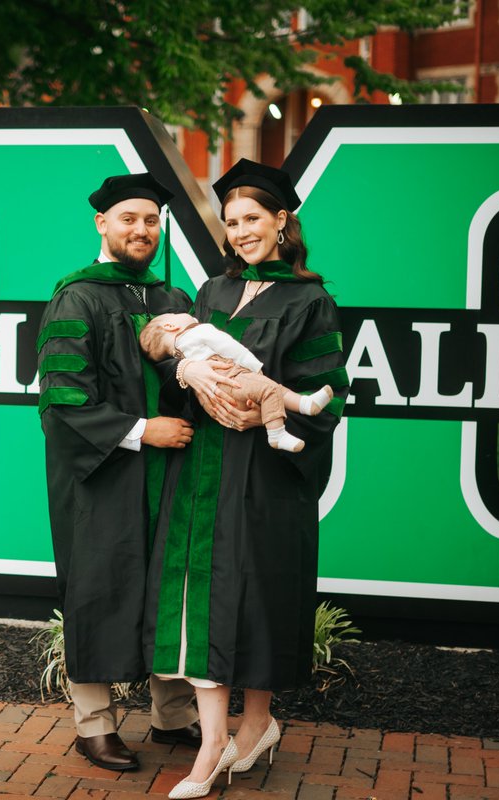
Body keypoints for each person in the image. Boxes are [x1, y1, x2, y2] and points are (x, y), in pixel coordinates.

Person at [141, 159, 349, 799]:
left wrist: (269, 416)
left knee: (255, 594)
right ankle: (210, 744)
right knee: (199, 598)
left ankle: (256, 726)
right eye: (231, 223)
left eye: (252, 219)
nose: (240, 233)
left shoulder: (310, 300)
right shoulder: (211, 293)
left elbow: (328, 396)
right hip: (201, 468)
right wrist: (186, 373)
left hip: (263, 474)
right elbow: (173, 350)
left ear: (282, 220)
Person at [37, 172, 202, 772]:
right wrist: (141, 430)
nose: (141, 230)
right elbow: (61, 397)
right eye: (128, 218)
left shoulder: (174, 301)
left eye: (151, 220)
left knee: (168, 583)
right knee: (98, 587)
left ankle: (174, 716)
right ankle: (93, 726)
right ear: (102, 223)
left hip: (169, 473)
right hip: (102, 477)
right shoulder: (76, 297)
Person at [139, 312, 334, 453]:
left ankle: (304, 404)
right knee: (269, 389)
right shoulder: (198, 328)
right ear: (170, 326)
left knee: (273, 389)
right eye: (174, 313)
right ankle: (277, 433)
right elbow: (229, 346)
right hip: (231, 375)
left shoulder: (181, 350)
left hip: (220, 394)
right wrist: (254, 367)